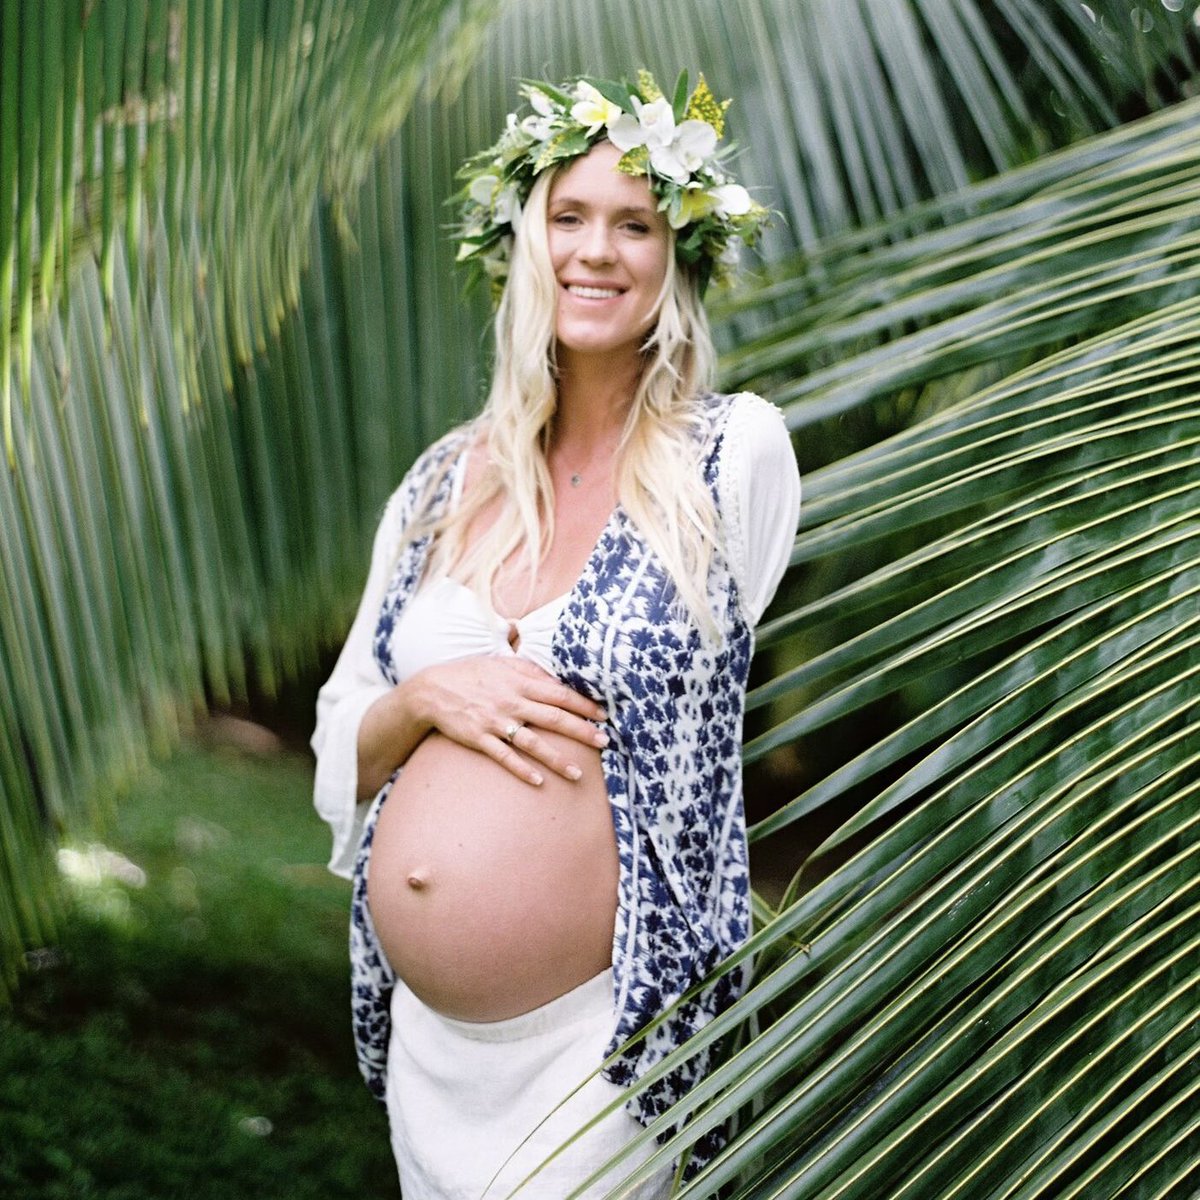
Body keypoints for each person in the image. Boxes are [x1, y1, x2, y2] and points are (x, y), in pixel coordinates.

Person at [311, 69, 801, 1199]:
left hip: (604, 1049)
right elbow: (342, 748)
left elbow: (697, 714)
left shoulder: (731, 459)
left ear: (678, 256)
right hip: (431, 1047)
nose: (596, 251)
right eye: (567, 217)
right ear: (521, 242)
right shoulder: (441, 482)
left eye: (635, 224)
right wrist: (427, 699)